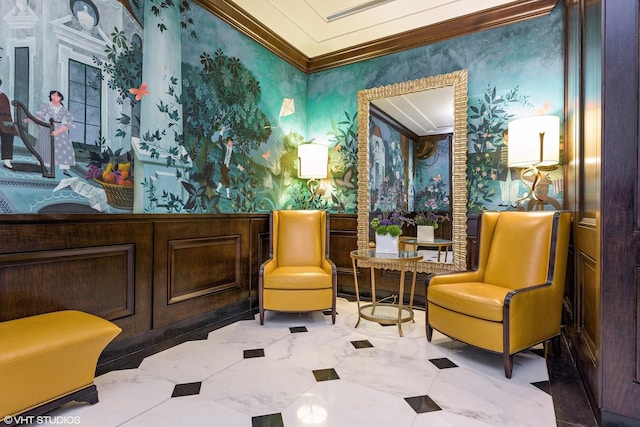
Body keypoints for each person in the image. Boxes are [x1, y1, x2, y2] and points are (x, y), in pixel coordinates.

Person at [34, 90, 75, 176]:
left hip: (59, 129)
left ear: (60, 98)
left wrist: (59, 131)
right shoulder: (46, 105)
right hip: (48, 127)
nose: (54, 97)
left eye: (56, 96)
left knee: (64, 147)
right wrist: (35, 120)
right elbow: (40, 116)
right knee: (46, 146)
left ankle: (65, 168)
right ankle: (46, 167)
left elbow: (70, 122)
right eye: (52, 95)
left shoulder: (63, 109)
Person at [213, 126, 244, 199]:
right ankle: (228, 195)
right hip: (222, 165)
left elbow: (234, 161)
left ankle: (217, 189)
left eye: (231, 142)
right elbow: (220, 140)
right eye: (229, 142)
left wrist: (240, 167)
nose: (231, 143)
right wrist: (222, 131)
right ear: (227, 142)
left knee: (223, 179)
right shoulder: (224, 148)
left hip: (227, 167)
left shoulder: (232, 152)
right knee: (227, 180)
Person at [0, 79, 17, 169]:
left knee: (8, 137)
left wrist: (10, 126)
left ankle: (7, 160)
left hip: (4, 121)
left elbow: (7, 112)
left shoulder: (3, 96)